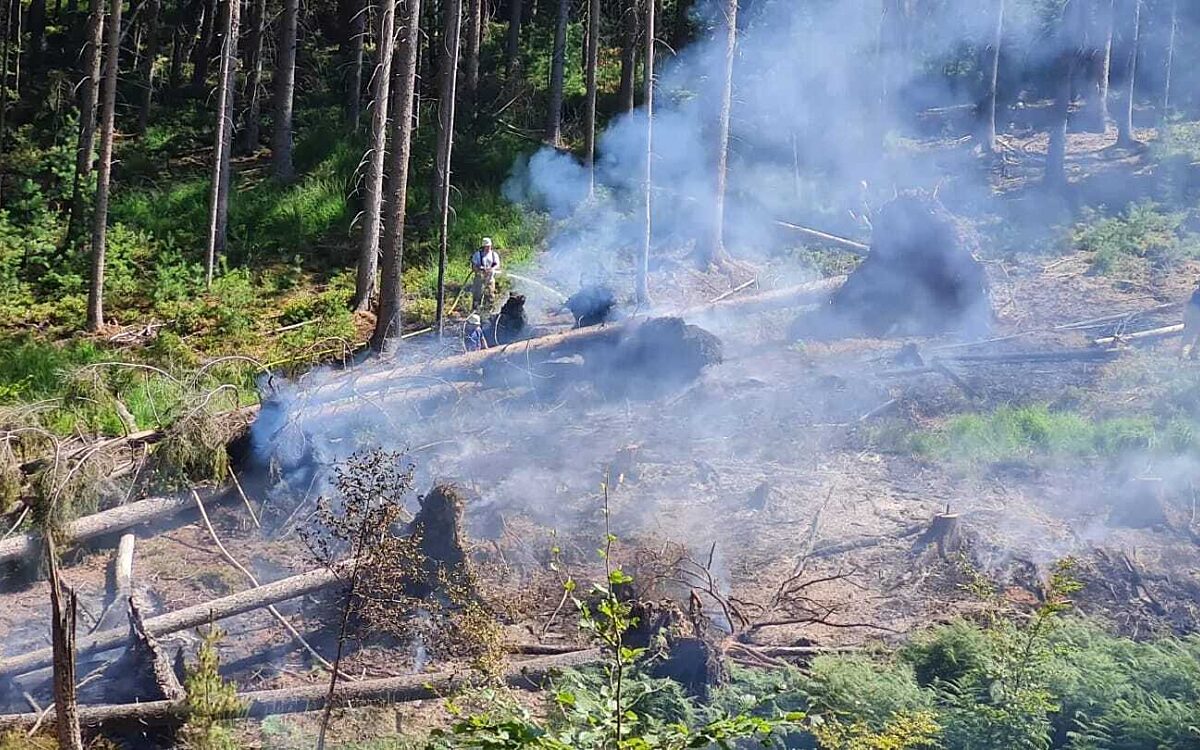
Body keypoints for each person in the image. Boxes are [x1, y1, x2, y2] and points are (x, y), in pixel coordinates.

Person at [470, 237, 501, 313]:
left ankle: (488, 313)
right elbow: (474, 266)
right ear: (483, 246)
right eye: (486, 246)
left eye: (489, 246)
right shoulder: (477, 255)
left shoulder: (494, 255)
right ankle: (475, 312)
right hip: (479, 280)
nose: (488, 248)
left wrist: (491, 269)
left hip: (490, 280)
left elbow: (496, 265)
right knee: (477, 296)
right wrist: (480, 269)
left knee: (490, 296)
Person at [1182, 282, 1200, 360]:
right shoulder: (1196, 294)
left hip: (1191, 316)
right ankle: (1184, 355)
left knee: (1189, 336)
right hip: (1194, 317)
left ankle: (1192, 353)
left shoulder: (1196, 293)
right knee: (1189, 336)